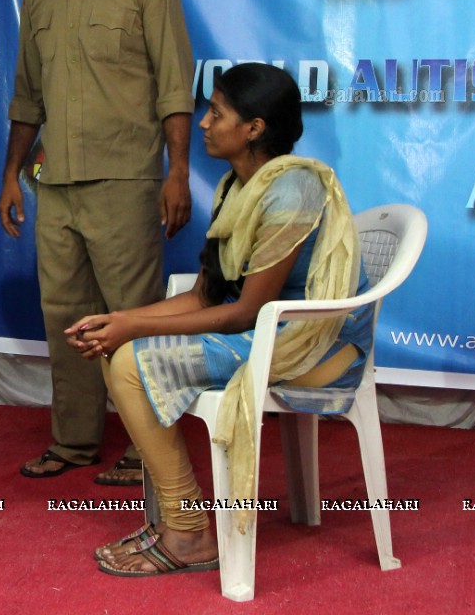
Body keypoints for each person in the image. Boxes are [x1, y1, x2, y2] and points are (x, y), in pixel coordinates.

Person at [66, 63, 374, 576]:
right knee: (114, 350)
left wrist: (134, 330)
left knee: (129, 363)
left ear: (254, 128)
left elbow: (245, 313)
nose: (203, 123)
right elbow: (210, 295)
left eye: (216, 113)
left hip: (315, 343)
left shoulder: (290, 191)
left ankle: (188, 532)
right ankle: (179, 517)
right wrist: (117, 320)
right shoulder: (240, 185)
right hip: (266, 325)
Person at [0, 0, 195, 486]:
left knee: (133, 316)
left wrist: (178, 172)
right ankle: (75, 442)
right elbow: (28, 97)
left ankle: (146, 447)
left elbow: (174, 86)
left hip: (127, 179)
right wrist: (9, 177)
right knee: (65, 319)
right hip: (54, 185)